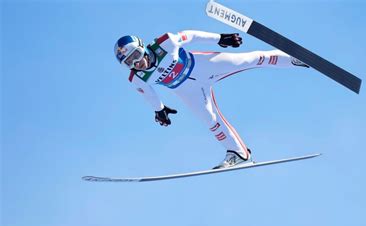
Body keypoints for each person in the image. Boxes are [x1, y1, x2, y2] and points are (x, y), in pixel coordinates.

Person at [114, 30, 308, 169]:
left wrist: (220, 39)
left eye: (137, 55)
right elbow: (148, 93)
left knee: (251, 59)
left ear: (143, 47)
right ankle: (238, 153)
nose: (137, 63)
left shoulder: (165, 43)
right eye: (129, 62)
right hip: (187, 90)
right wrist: (159, 109)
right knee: (210, 121)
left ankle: (293, 59)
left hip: (204, 66)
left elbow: (190, 36)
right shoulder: (136, 77)